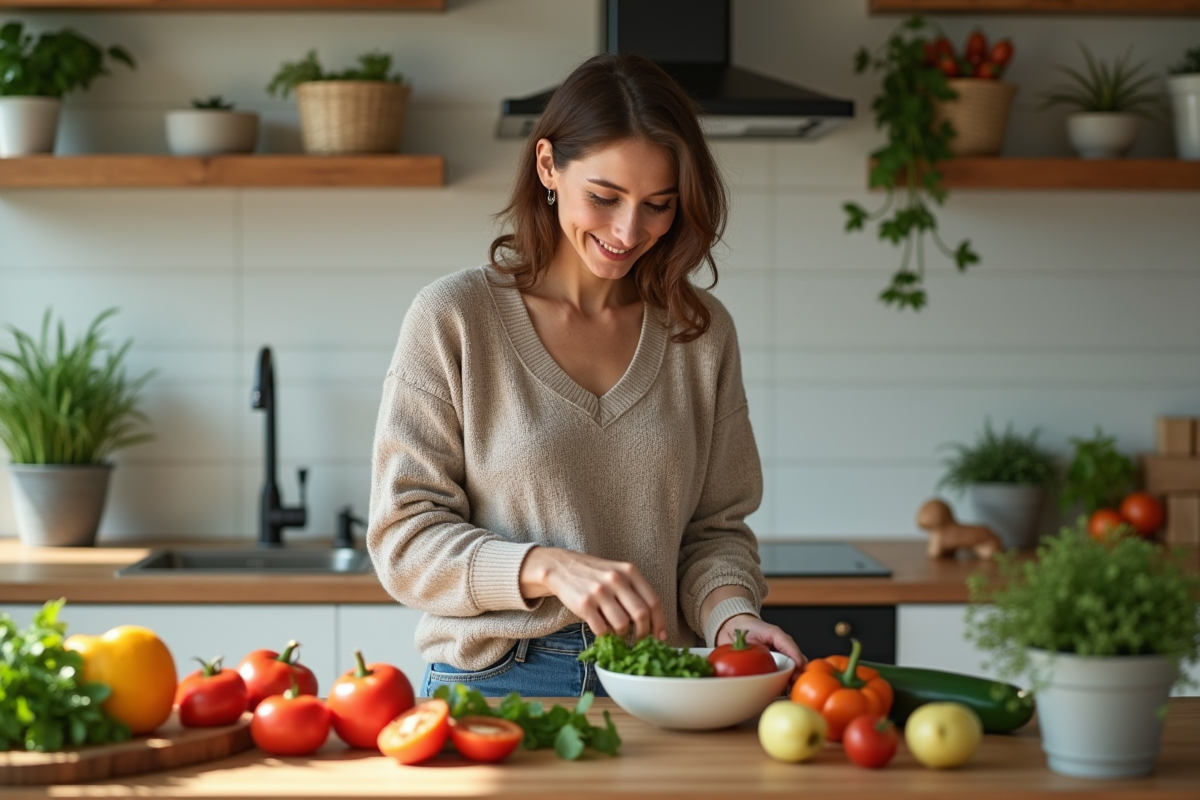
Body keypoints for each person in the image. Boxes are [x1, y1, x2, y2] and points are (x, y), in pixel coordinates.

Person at [367, 51, 805, 698]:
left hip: (658, 683)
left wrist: (732, 618)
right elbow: (404, 539)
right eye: (604, 198)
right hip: (495, 678)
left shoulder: (700, 333)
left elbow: (716, 532)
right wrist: (544, 569)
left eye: (659, 205)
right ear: (548, 166)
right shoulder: (455, 318)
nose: (630, 231)